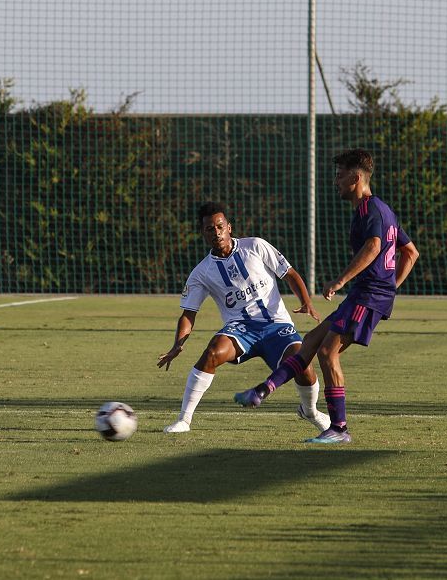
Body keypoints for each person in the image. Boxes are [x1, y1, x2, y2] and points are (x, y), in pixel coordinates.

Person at [234, 149, 420, 444]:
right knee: (309, 343)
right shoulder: (382, 210)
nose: (335, 180)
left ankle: (339, 428)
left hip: (367, 296)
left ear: (356, 178)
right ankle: (261, 391)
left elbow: (373, 247)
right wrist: (391, 287)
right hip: (368, 294)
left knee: (326, 352)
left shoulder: (370, 211)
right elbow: (411, 252)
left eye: (340, 175)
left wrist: (342, 280)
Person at [157, 201, 330, 434]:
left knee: (303, 364)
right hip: (240, 329)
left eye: (220, 227)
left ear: (229, 227)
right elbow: (189, 314)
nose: (216, 233)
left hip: (276, 325)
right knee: (212, 353)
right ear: (203, 234)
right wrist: (177, 344)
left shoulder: (256, 246)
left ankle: (310, 411)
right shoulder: (201, 273)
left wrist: (306, 302)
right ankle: (184, 420)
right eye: (210, 229)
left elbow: (288, 273)